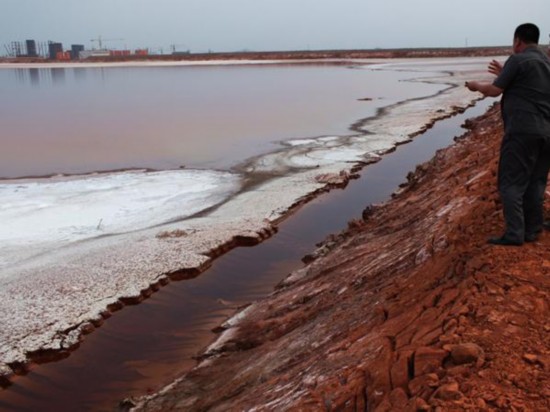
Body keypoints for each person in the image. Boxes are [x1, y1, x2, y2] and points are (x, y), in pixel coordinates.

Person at [465, 23, 550, 246]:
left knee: (510, 183)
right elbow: (531, 87)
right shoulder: (545, 62)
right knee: (536, 182)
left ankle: (514, 234)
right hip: (546, 133)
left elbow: (494, 90)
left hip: (523, 131)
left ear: (517, 41)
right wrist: (506, 73)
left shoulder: (518, 59)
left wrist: (475, 86)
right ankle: (533, 229)